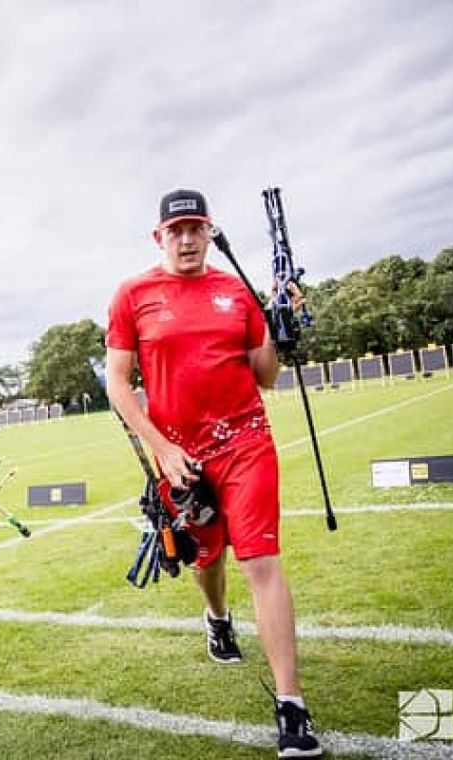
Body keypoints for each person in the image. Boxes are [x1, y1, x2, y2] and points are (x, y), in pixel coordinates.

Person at [105, 189, 322, 758]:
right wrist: (162, 448)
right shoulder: (133, 294)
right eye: (175, 230)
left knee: (263, 561)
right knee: (206, 557)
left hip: (247, 443)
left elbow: (267, 375)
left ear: (209, 232)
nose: (185, 239)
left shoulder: (236, 291)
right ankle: (217, 616)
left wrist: (280, 329)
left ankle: (292, 705)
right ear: (159, 236)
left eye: (195, 228)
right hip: (179, 455)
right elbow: (118, 384)